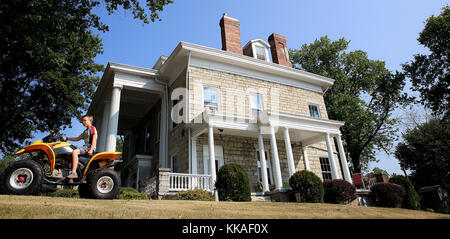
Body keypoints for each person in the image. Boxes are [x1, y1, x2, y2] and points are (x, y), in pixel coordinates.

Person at [63, 114, 97, 179]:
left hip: (88, 146)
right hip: (86, 146)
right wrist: (67, 138)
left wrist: (91, 149)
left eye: (85, 120)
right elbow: (77, 138)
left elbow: (94, 139)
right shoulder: (85, 131)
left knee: (74, 152)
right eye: (82, 121)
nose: (83, 122)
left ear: (90, 121)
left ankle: (73, 172)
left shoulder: (92, 128)